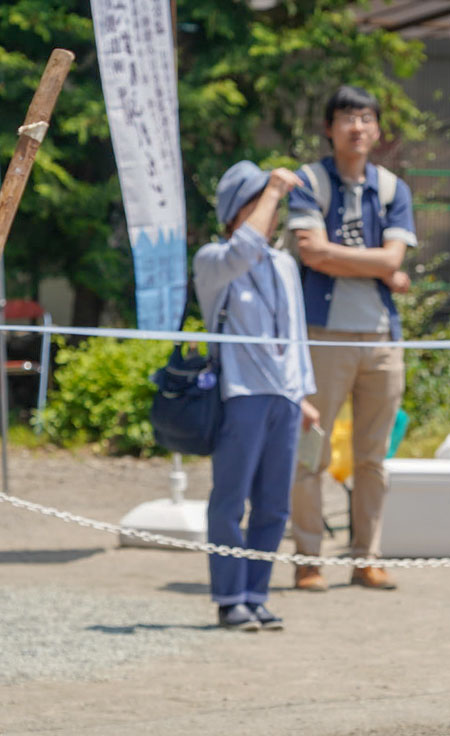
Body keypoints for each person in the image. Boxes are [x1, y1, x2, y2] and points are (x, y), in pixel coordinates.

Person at [286, 84, 416, 592]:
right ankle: (308, 558)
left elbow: (387, 259)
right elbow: (310, 255)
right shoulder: (308, 181)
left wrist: (347, 258)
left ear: (377, 129)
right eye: (346, 118)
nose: (356, 127)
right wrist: (380, 265)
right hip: (322, 335)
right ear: (329, 127)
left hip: (383, 339)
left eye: (365, 118)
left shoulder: (392, 188)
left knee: (373, 457)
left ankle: (367, 557)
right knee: (311, 452)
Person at [193, 161, 317, 630]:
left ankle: (255, 593)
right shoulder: (214, 259)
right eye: (259, 201)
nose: (271, 211)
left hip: (283, 395)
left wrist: (303, 392)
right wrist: (275, 187)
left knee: (274, 503)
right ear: (236, 210)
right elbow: (243, 246)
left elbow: (297, 333)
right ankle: (229, 597)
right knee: (230, 498)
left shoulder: (283, 263)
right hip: (239, 393)